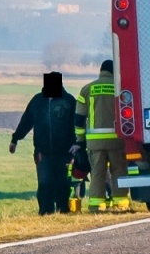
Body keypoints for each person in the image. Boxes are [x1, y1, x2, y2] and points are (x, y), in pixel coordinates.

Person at [10, 71, 80, 216]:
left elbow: (77, 124)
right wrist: (15, 139)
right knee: (45, 183)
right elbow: (26, 121)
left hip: (65, 152)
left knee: (63, 183)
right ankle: (45, 212)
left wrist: (77, 144)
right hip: (43, 152)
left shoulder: (69, 101)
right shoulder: (37, 101)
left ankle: (63, 210)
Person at [75, 59, 126, 212]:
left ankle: (97, 205)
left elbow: (79, 119)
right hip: (117, 140)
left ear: (101, 71)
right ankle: (121, 204)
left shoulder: (87, 89)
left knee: (97, 173)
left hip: (95, 143)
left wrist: (80, 140)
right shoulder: (120, 88)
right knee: (119, 171)